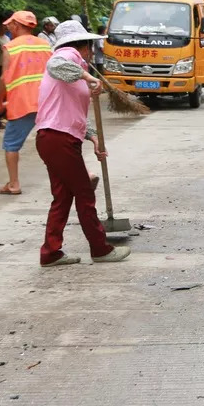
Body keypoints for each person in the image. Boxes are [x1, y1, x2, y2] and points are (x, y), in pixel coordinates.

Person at [35, 19, 130, 266]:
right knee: (84, 194)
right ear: (84, 46)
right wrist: (88, 76)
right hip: (58, 139)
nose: (91, 52)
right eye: (90, 47)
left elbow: (72, 112)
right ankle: (100, 249)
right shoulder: (67, 55)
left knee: (63, 197)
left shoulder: (74, 74)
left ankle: (51, 252)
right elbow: (55, 64)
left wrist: (94, 137)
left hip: (54, 138)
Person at [0, 11, 51, 196]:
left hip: (22, 103)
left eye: (10, 24)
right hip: (47, 101)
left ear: (17, 25)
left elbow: (3, 79)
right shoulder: (45, 45)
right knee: (58, 141)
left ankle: (14, 184)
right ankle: (82, 175)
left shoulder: (11, 47)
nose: (8, 27)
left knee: (11, 144)